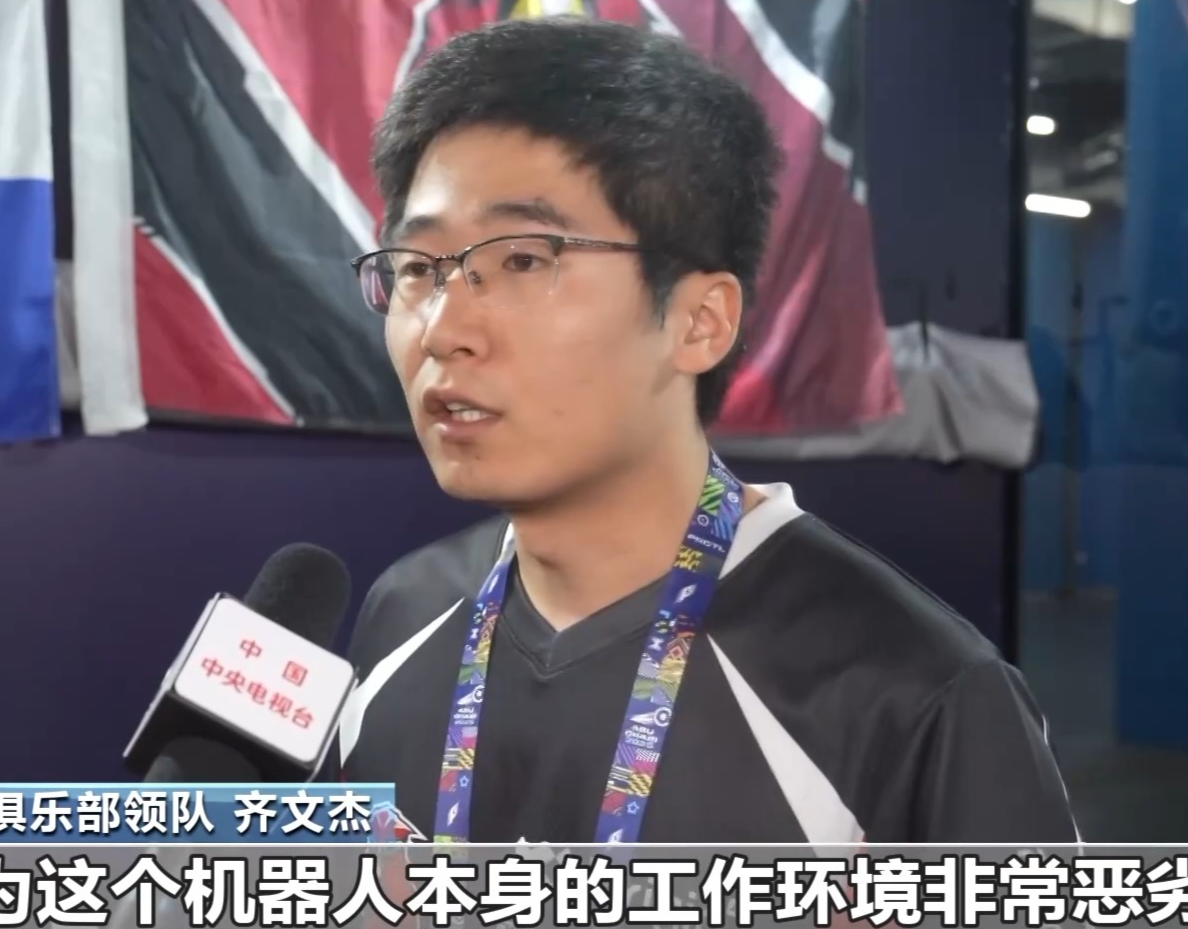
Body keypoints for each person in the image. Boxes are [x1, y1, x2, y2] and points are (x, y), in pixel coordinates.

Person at [333, 15, 1077, 845]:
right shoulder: (403, 613)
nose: (442, 329)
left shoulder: (916, 693)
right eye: (417, 268)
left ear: (700, 321)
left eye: (522, 260)